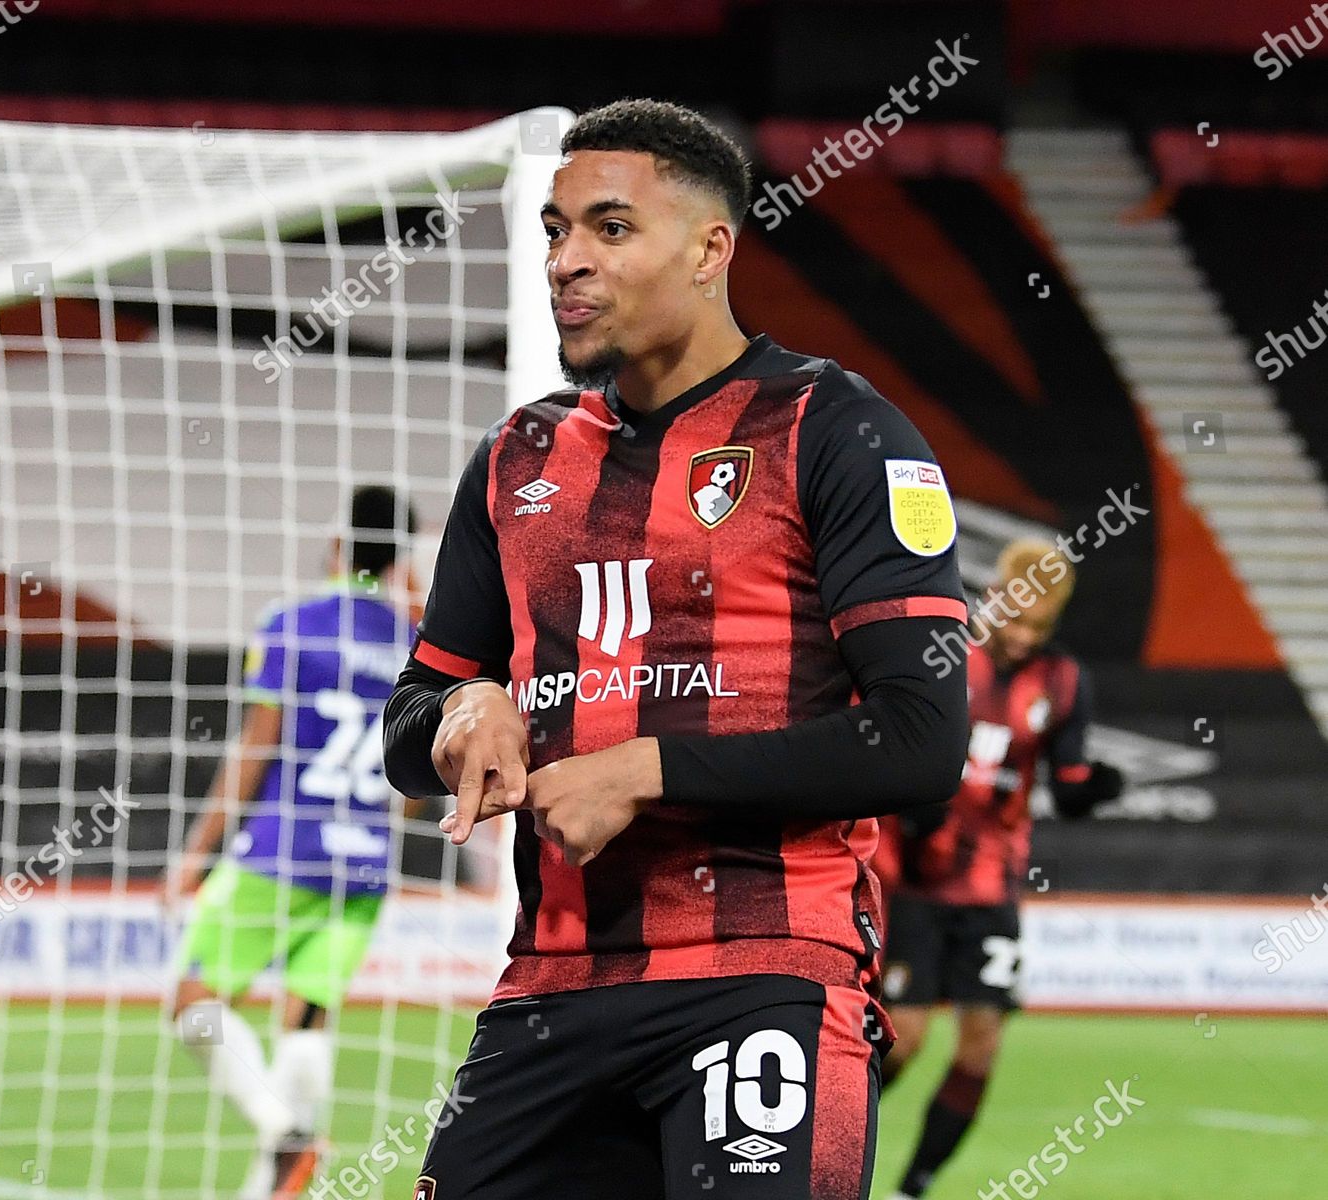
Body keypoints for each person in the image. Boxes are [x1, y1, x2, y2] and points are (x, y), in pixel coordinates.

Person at [382, 99, 970, 1200]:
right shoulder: (517, 460)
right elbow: (414, 716)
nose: (566, 262)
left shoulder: (833, 430)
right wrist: (462, 718)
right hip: (549, 984)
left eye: (610, 229)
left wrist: (646, 771)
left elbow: (919, 739)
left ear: (711, 249)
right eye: (555, 231)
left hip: (763, 976)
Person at [166, 485, 417, 1200]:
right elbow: (412, 785)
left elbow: (256, 747)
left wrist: (196, 854)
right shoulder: (414, 644)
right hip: (365, 861)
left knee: (194, 1003)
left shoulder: (295, 623)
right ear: (402, 560)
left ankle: (285, 1132)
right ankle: (275, 1182)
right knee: (306, 1018)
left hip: (284, 849)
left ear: (335, 546)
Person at [876, 538, 1124, 1200]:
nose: (1022, 635)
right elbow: (882, 738)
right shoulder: (942, 655)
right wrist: (910, 811)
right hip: (915, 882)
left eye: (1039, 626)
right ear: (994, 598)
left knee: (980, 1047)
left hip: (993, 885)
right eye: (1016, 618)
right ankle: (831, 1145)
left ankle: (911, 1189)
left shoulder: (1065, 679)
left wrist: (1094, 787)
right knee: (903, 1044)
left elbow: (1067, 780)